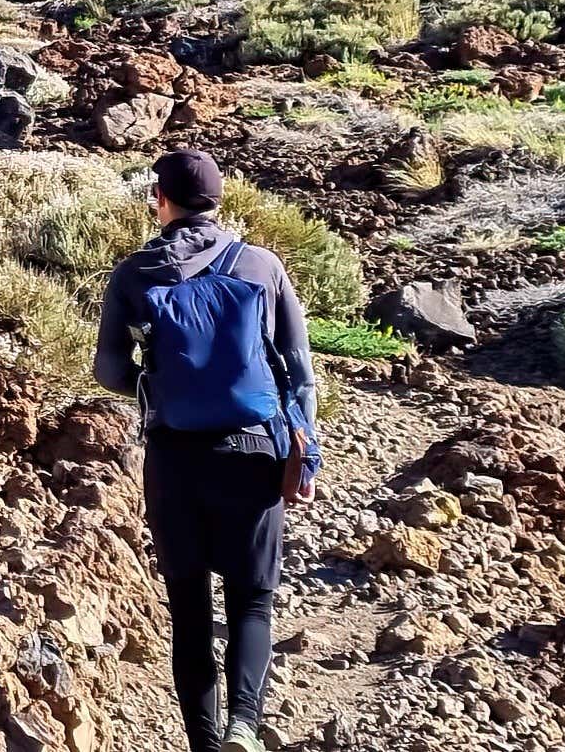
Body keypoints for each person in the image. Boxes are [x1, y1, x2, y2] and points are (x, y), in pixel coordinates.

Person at [93, 148, 319, 752]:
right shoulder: (262, 266)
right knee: (251, 599)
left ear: (159, 200)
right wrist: (308, 451)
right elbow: (298, 369)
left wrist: (155, 381)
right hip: (251, 453)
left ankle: (205, 745)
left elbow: (108, 370)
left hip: (173, 456)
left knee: (189, 610)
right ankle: (245, 723)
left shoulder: (135, 274)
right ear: (220, 201)